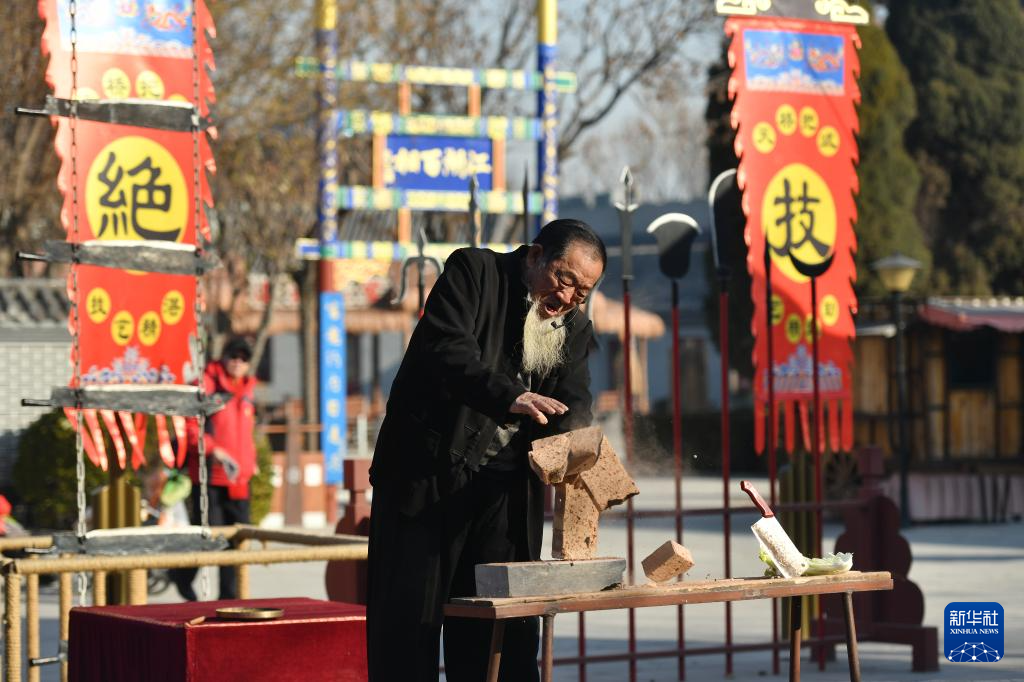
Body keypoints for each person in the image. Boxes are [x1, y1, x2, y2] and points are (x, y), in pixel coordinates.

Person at [367, 219, 606, 681]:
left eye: (582, 291)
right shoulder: (474, 272)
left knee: (503, 637)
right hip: (426, 482)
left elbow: (574, 400)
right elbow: (447, 349)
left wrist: (581, 453)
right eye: (564, 279)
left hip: (504, 496)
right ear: (535, 256)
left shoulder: (574, 325)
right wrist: (508, 396)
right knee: (407, 631)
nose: (568, 298)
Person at [171, 336, 257, 601]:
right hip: (210, 477)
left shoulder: (247, 389)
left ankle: (229, 600)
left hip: (239, 479)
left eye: (244, 358)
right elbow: (188, 425)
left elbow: (245, 432)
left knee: (236, 543)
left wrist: (250, 462)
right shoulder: (205, 384)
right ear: (224, 357)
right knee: (208, 537)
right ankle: (182, 575)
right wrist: (212, 449)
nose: (238, 362)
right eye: (234, 356)